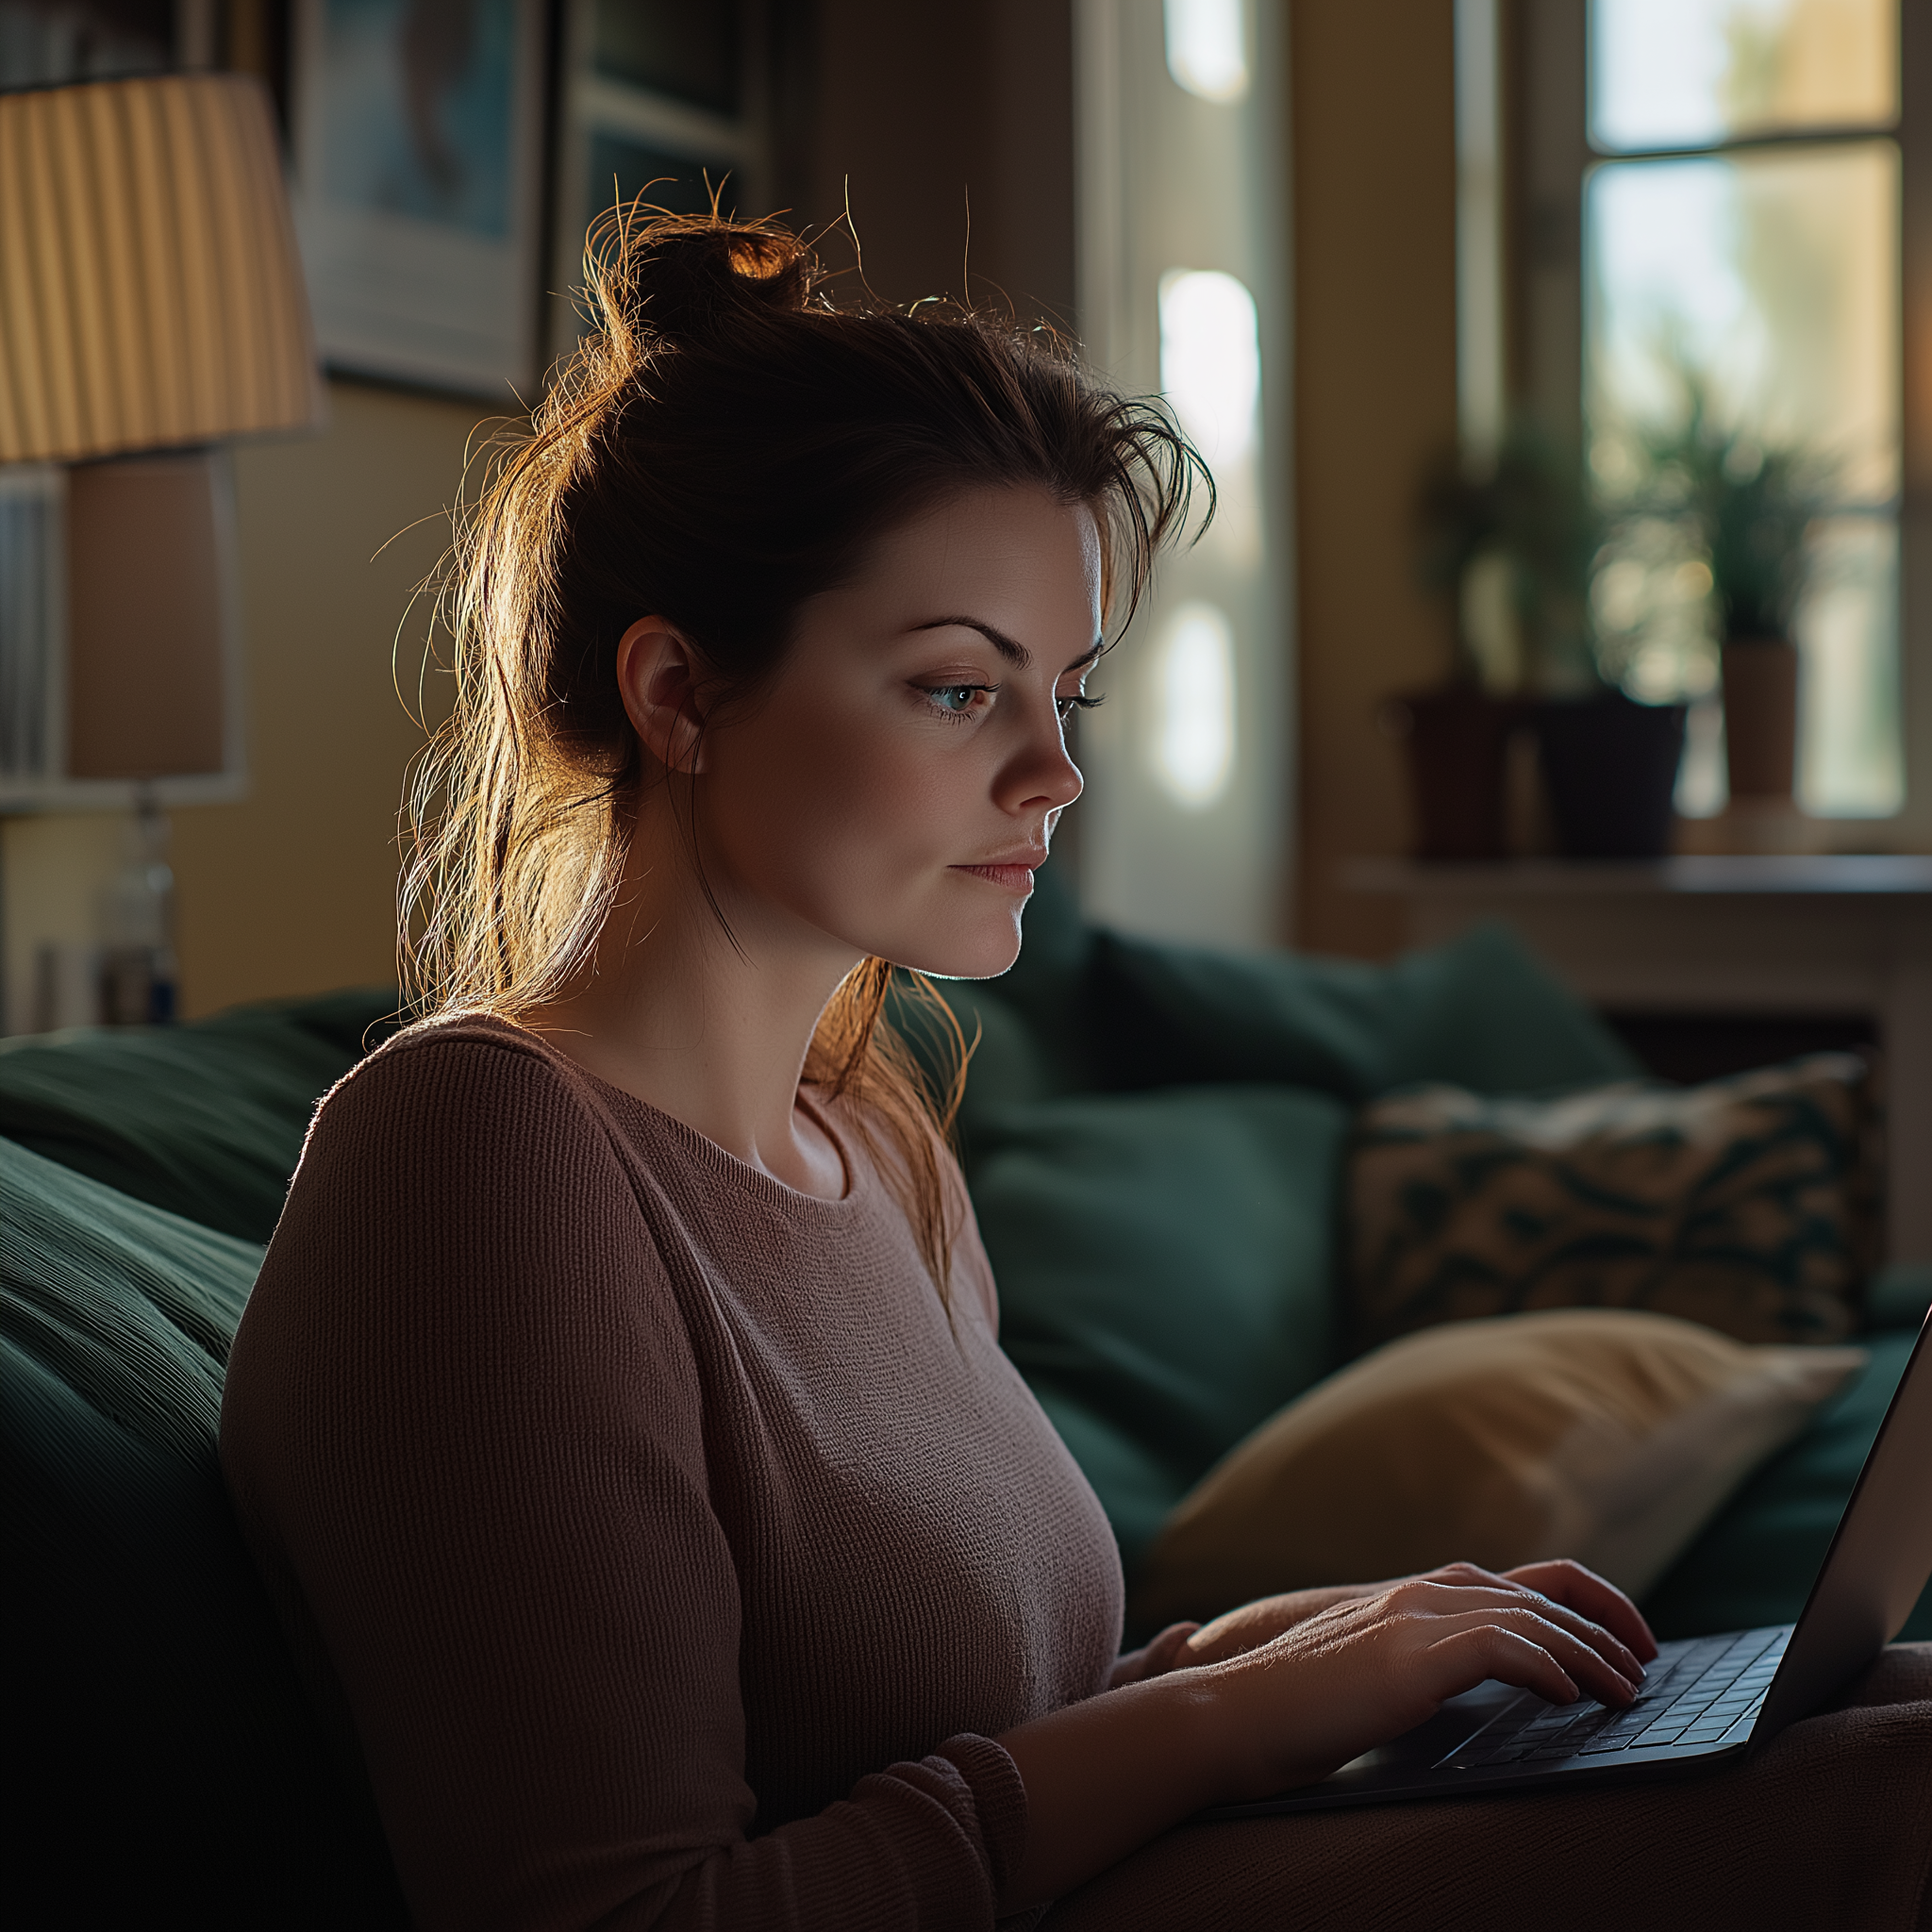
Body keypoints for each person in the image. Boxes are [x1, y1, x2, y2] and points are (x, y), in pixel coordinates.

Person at [220, 211, 1930, 1932]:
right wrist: (1228, 1714)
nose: (1054, 774)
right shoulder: (479, 1151)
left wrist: (1325, 1650)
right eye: (959, 691)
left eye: (1070, 695)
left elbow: (982, 1725)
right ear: (674, 690)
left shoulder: (872, 1140)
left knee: (1880, 1697)